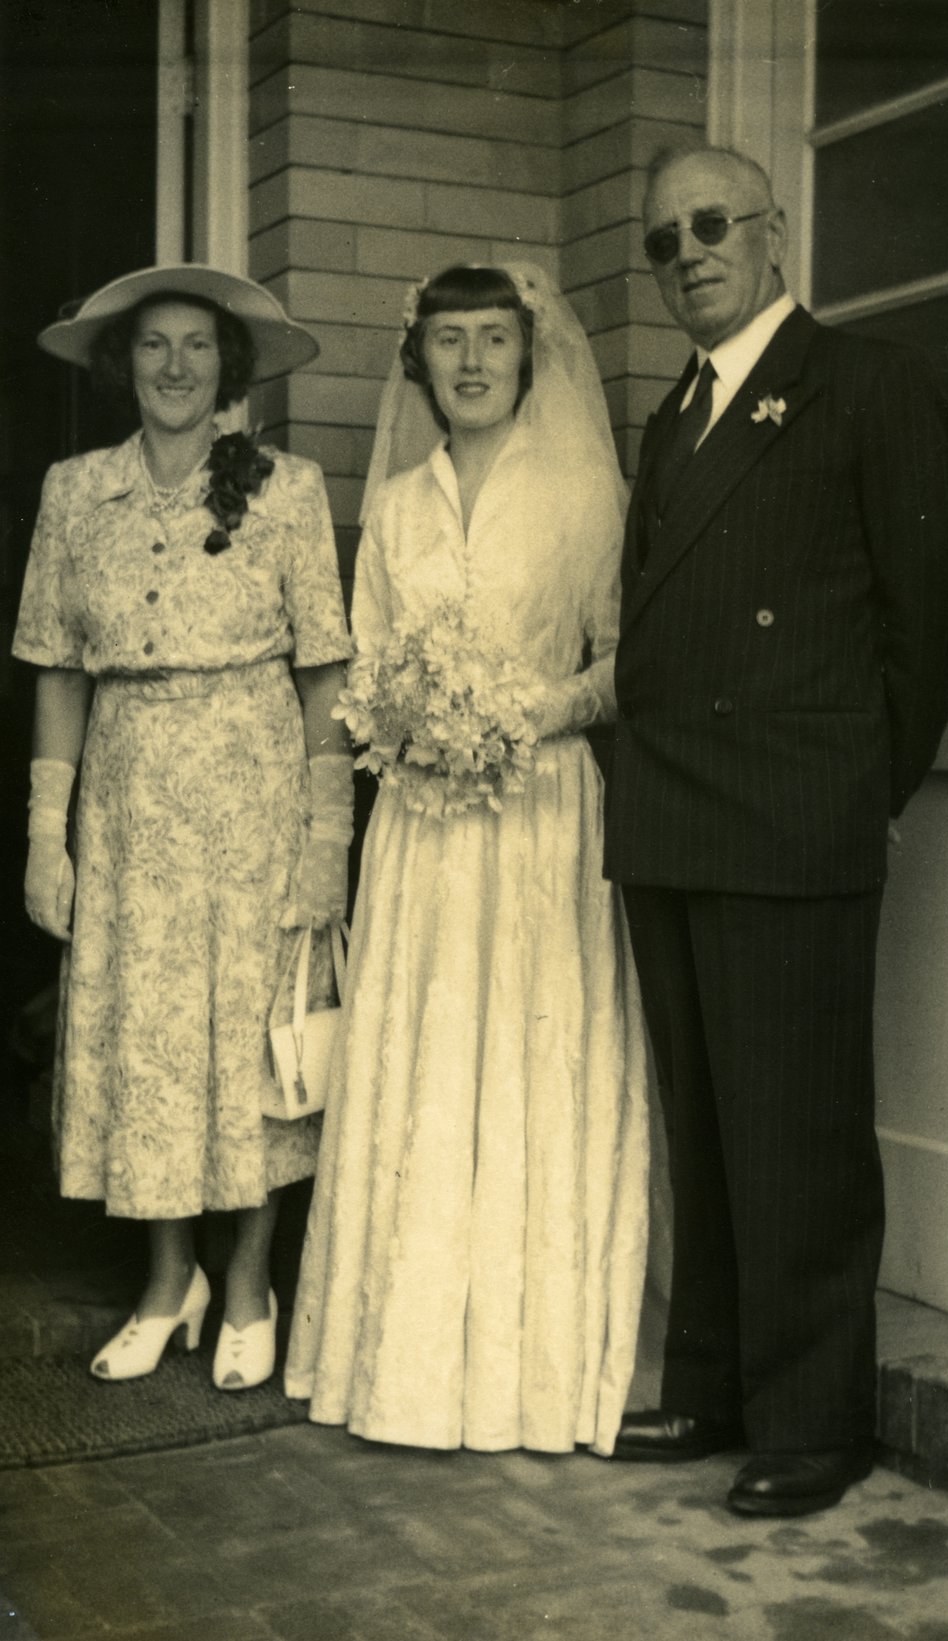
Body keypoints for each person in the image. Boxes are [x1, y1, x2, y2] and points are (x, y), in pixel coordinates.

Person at [603, 145, 948, 1515]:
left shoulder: (865, 387)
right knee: (705, 1123)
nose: (688, 252)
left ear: (772, 238)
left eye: (711, 226)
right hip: (673, 815)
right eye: (663, 241)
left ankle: (816, 1421)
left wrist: (857, 784)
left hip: (792, 813)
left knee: (798, 1130)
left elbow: (933, 612)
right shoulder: (673, 417)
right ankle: (712, 1385)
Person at [285, 263, 650, 1455]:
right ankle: (403, 1370)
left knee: (527, 1062)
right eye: (450, 342)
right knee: (429, 1062)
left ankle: (527, 1378)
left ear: (529, 354)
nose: (474, 362)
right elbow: (366, 671)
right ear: (419, 361)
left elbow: (619, 664)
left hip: (543, 816)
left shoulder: (589, 491)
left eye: (494, 339)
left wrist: (521, 717)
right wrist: (407, 721)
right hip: (425, 829)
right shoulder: (393, 506)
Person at [13, 264, 354, 1390]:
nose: (173, 366)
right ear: (124, 365)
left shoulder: (288, 489)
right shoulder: (75, 493)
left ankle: (249, 1280)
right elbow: (58, 671)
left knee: (241, 1038)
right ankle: (172, 1283)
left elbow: (322, 675)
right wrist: (43, 834)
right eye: (153, 346)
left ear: (229, 368)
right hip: (126, 798)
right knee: (150, 1044)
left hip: (252, 793)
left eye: (196, 347)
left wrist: (324, 837)